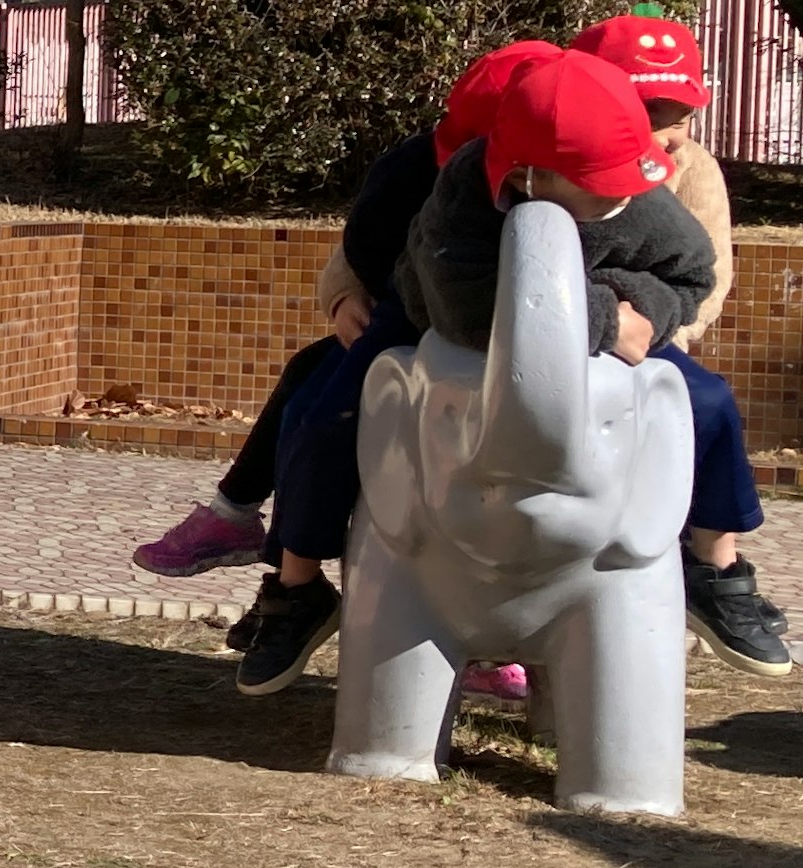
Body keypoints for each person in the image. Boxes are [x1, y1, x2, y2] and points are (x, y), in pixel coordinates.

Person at [232, 46, 713, 695]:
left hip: (598, 348)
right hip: (436, 322)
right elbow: (462, 305)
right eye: (603, 176)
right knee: (332, 415)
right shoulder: (461, 192)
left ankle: (715, 566)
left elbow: (692, 271)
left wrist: (645, 314)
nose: (627, 186)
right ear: (530, 174)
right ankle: (298, 582)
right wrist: (600, 315)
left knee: (707, 403)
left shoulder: (639, 197)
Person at [137, 43, 564, 582]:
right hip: (412, 323)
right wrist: (347, 296)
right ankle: (279, 567)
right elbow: (364, 244)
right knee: (312, 395)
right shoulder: (413, 168)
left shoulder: (609, 181)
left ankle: (700, 549)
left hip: (535, 347)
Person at [567, 12, 794, 675]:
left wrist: (651, 331)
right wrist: (346, 292)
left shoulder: (691, 171)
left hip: (643, 340)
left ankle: (714, 564)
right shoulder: (550, 160)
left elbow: (710, 275)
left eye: (679, 112)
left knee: (709, 405)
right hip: (542, 337)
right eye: (647, 109)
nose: (666, 131)